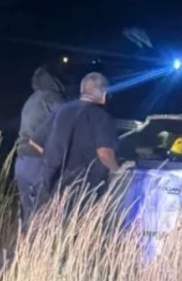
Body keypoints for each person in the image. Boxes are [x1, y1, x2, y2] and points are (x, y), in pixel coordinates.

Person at [40, 72, 124, 206]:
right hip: (85, 187)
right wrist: (118, 172)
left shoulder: (61, 110)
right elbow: (105, 153)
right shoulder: (101, 117)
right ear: (103, 93)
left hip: (56, 182)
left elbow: (37, 141)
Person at [14, 66, 66, 224]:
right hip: (39, 160)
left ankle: (25, 239)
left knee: (28, 212)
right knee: (45, 212)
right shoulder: (53, 98)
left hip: (22, 161)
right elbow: (66, 125)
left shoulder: (31, 99)